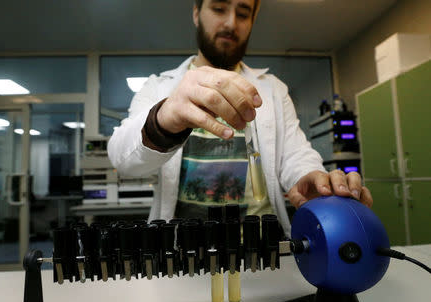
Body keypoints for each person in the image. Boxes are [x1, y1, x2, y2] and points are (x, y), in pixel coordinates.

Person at [108, 0, 372, 235]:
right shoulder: (159, 88)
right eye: (219, 8)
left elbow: (295, 155)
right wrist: (164, 118)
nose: (231, 23)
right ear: (197, 13)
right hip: (184, 253)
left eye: (243, 13)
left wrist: (313, 177)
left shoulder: (273, 89)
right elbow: (123, 159)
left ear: (252, 21)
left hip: (261, 250)